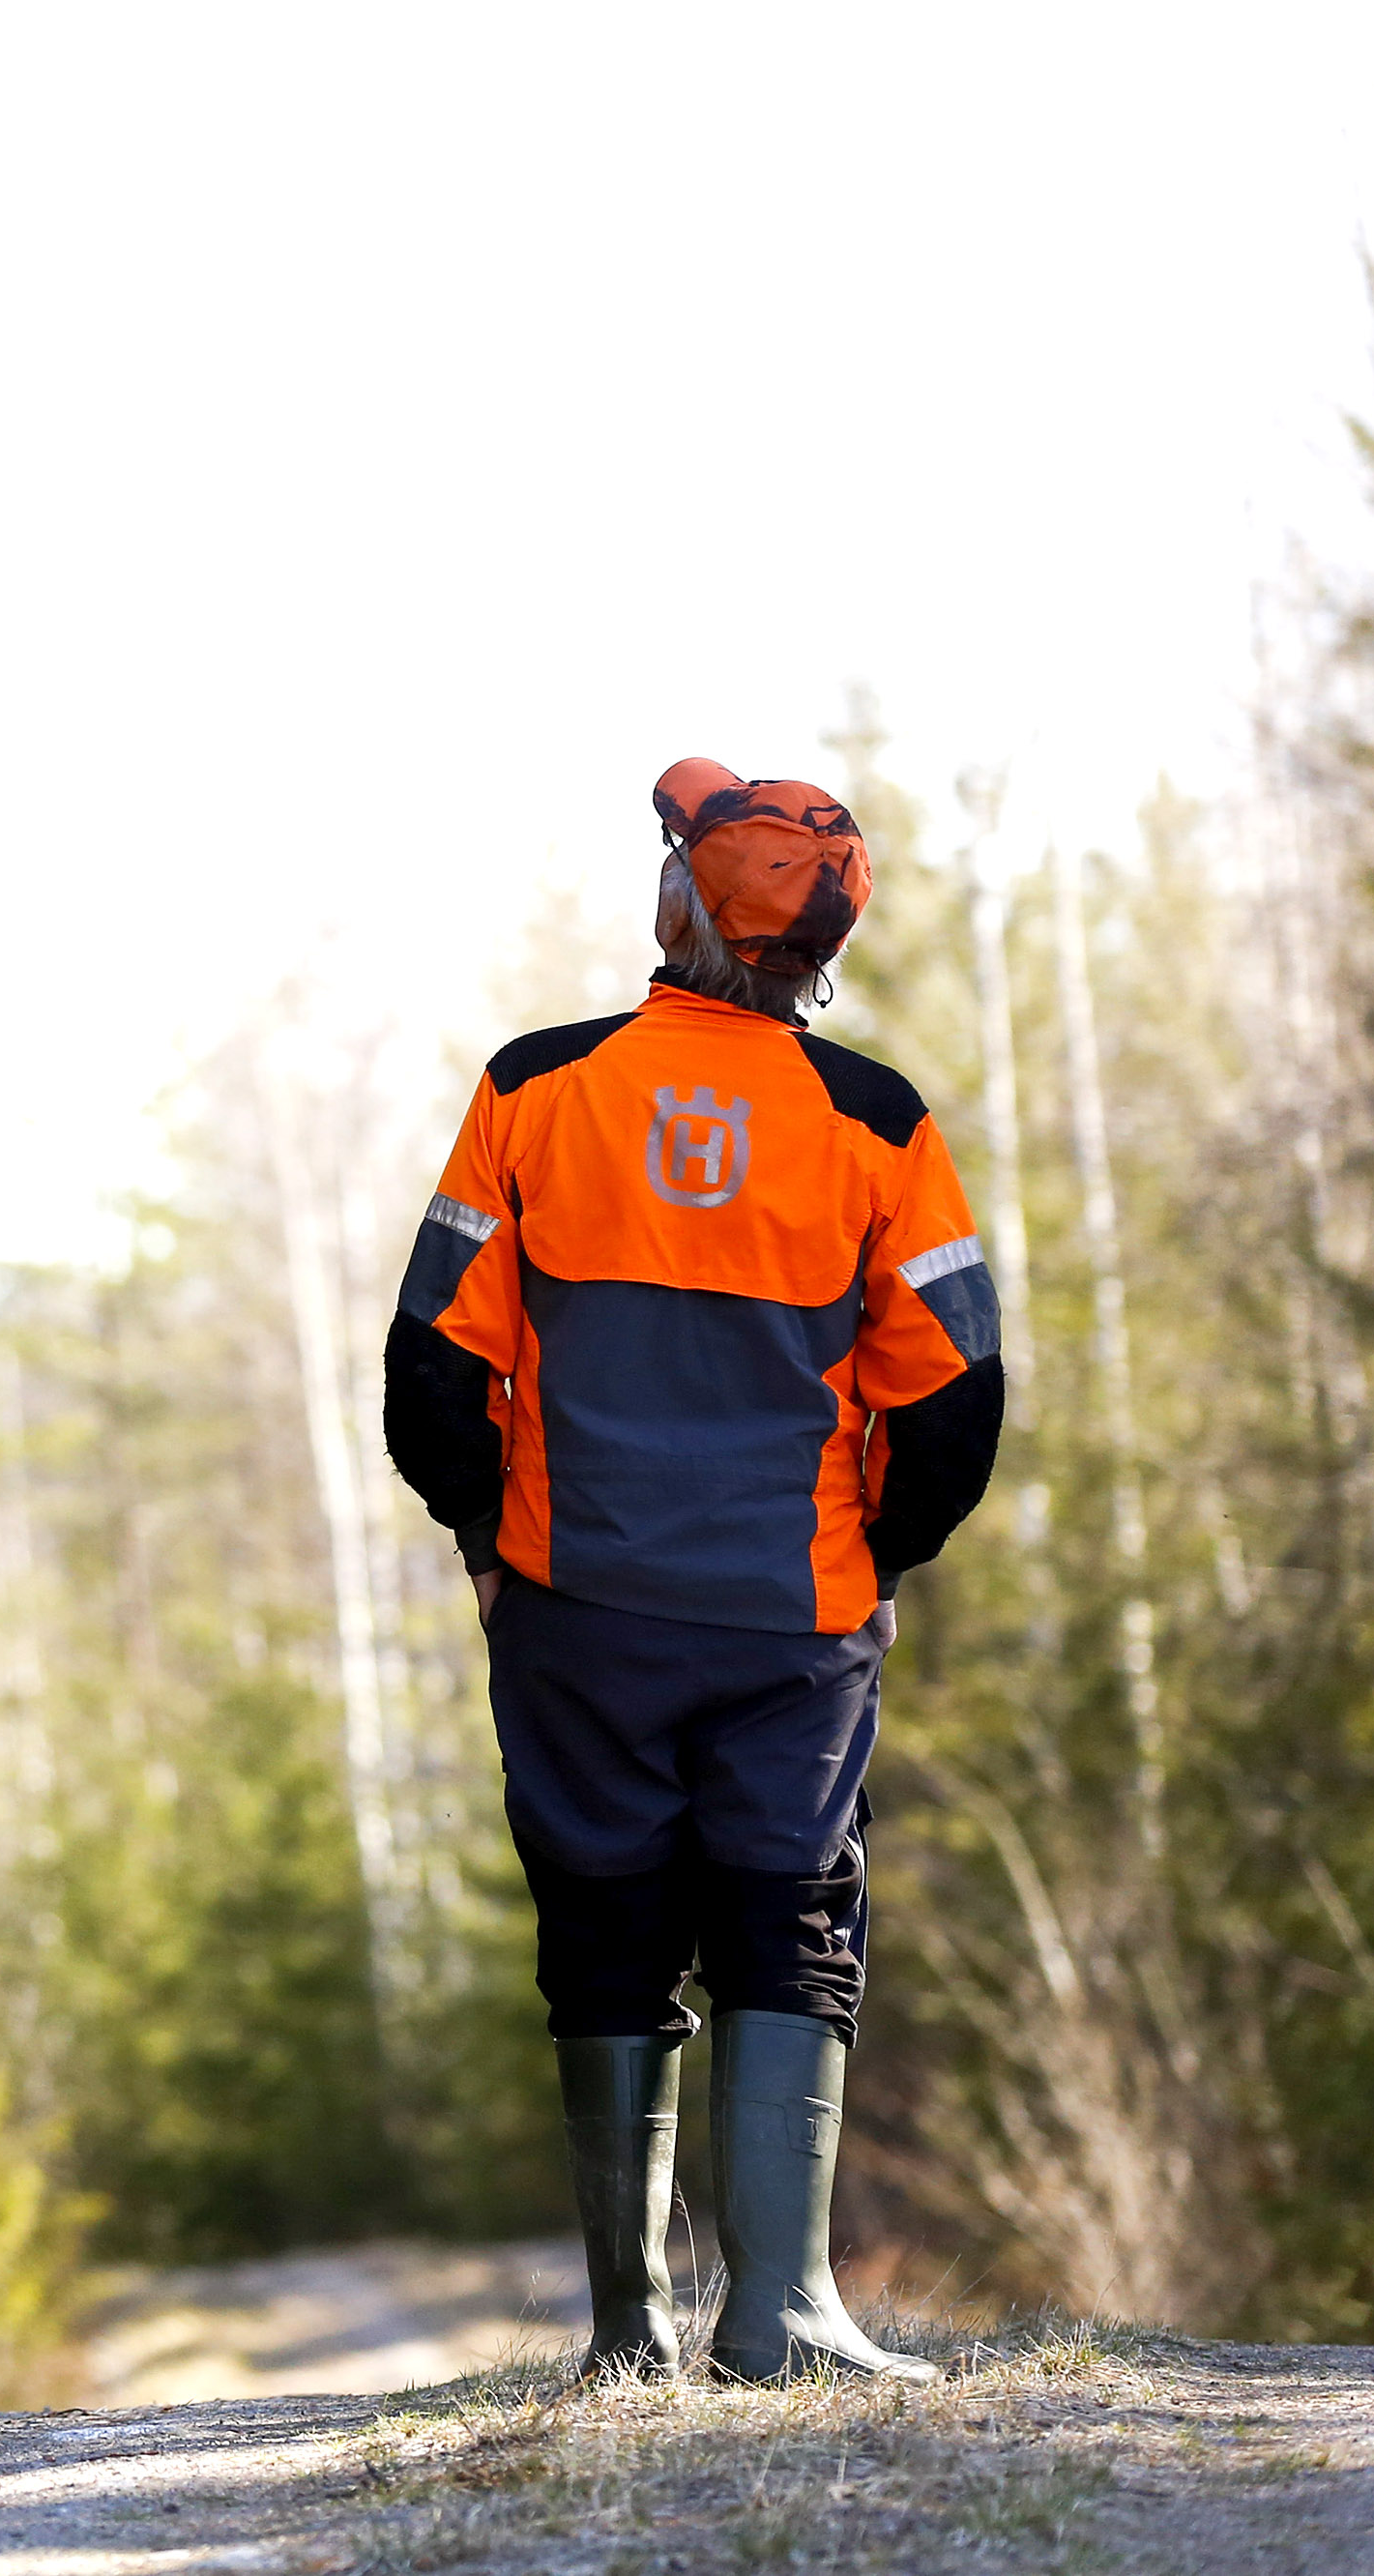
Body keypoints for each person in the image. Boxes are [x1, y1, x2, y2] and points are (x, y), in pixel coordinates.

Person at [380, 760, 1006, 2384]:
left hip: (573, 1601)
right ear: (819, 945)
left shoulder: (533, 1087)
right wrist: (879, 1558)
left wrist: (486, 1547)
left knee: (603, 1922)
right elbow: (956, 1399)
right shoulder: (877, 1124)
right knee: (789, 1914)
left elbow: (431, 1368)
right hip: (791, 1616)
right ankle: (783, 2311)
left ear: (677, 908)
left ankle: (624, 2329)